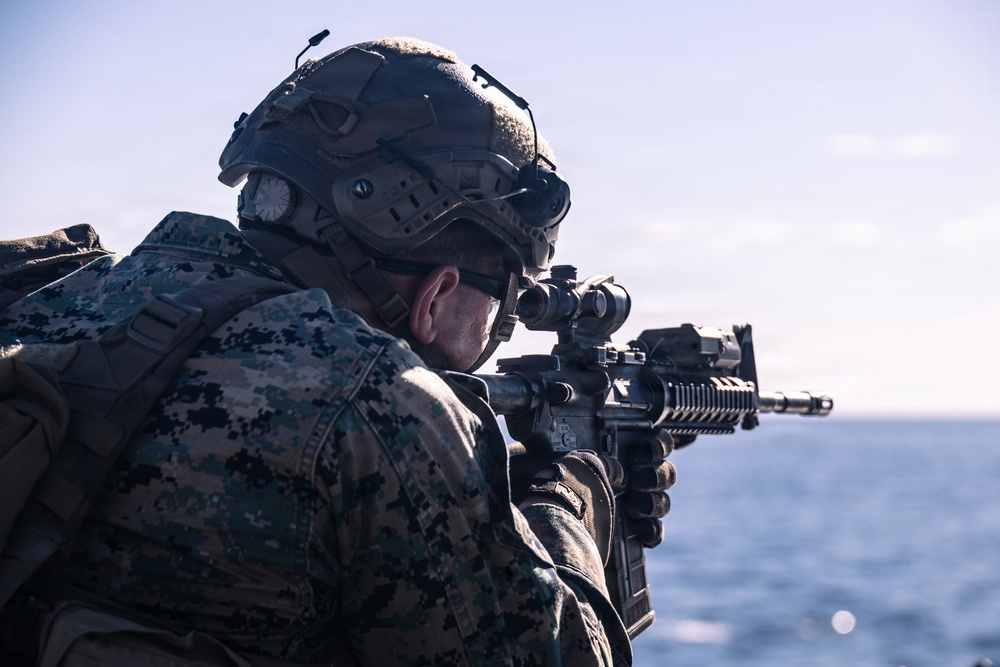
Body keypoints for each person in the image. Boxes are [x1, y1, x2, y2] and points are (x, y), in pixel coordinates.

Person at [0, 37, 673, 665]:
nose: (499, 332)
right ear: (436, 295)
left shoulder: (50, 296)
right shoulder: (377, 401)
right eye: (507, 301)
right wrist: (565, 505)